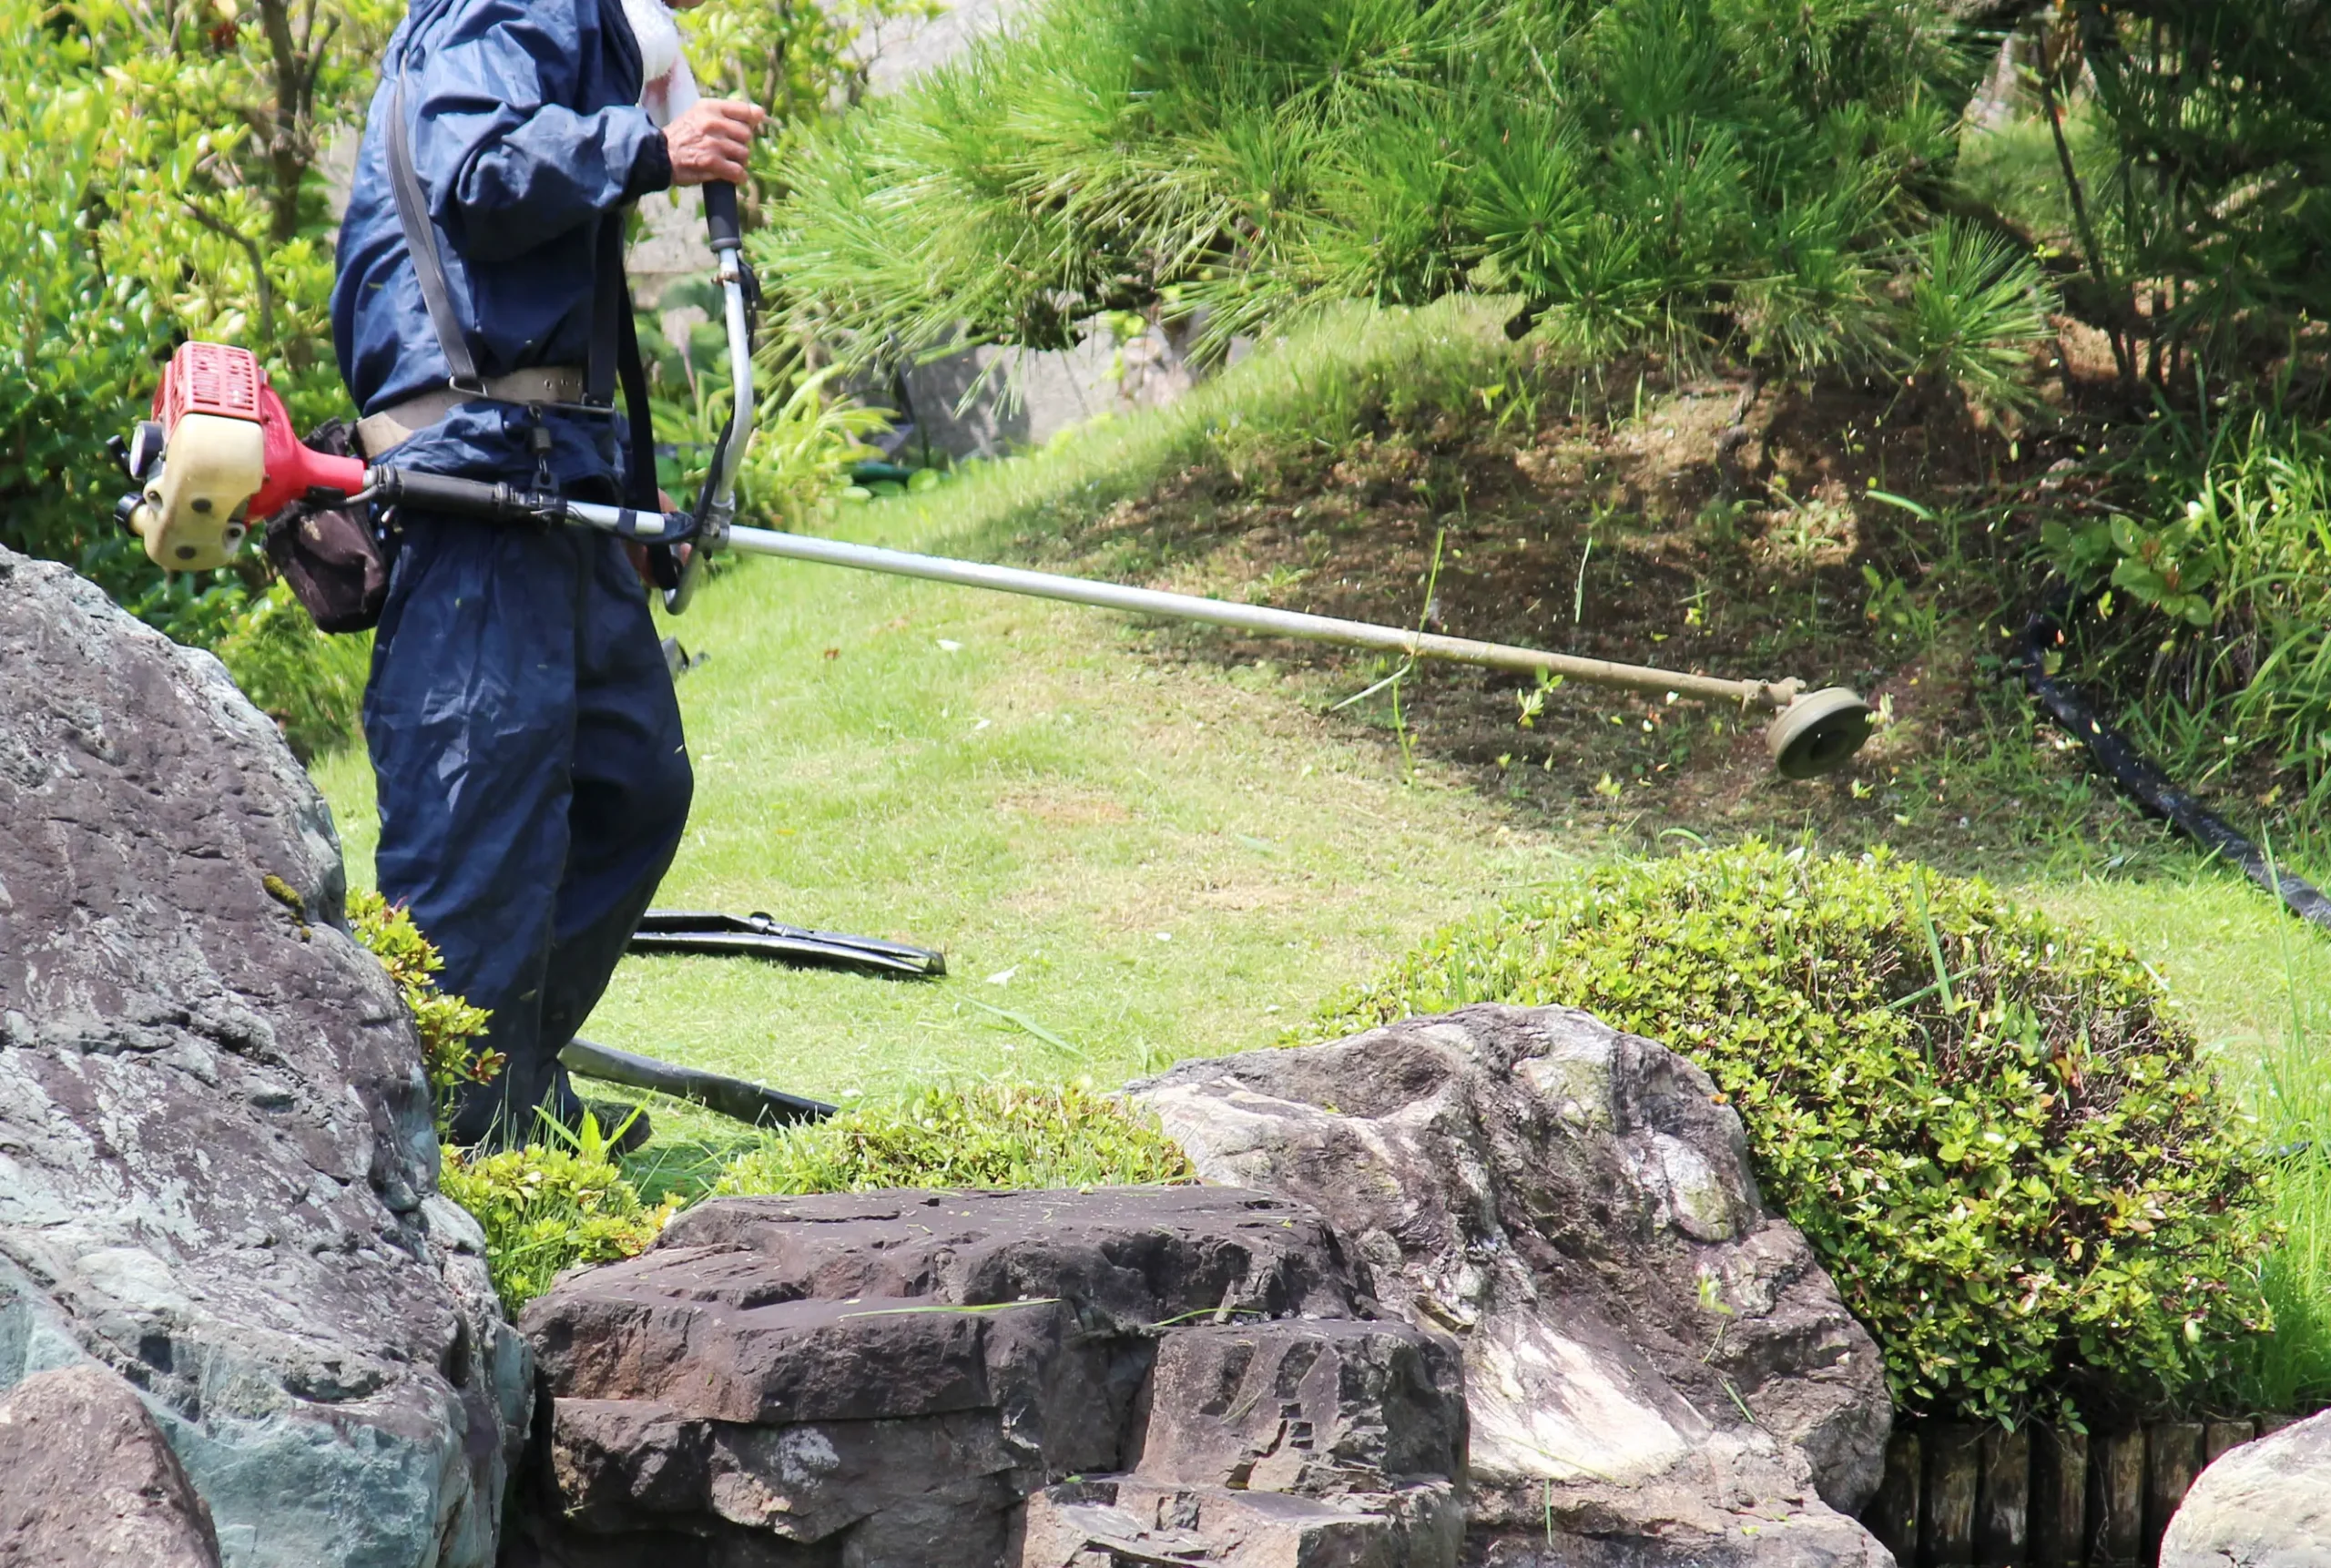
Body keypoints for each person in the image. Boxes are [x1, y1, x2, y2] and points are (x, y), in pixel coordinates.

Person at [329, 0, 764, 1146]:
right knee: (480, 817)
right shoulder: (508, 4)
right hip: (474, 468)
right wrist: (649, 149)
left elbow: (550, 291)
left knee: (633, 785)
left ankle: (507, 1086)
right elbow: (474, 168)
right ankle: (448, 1155)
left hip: (546, 460)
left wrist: (626, 482)